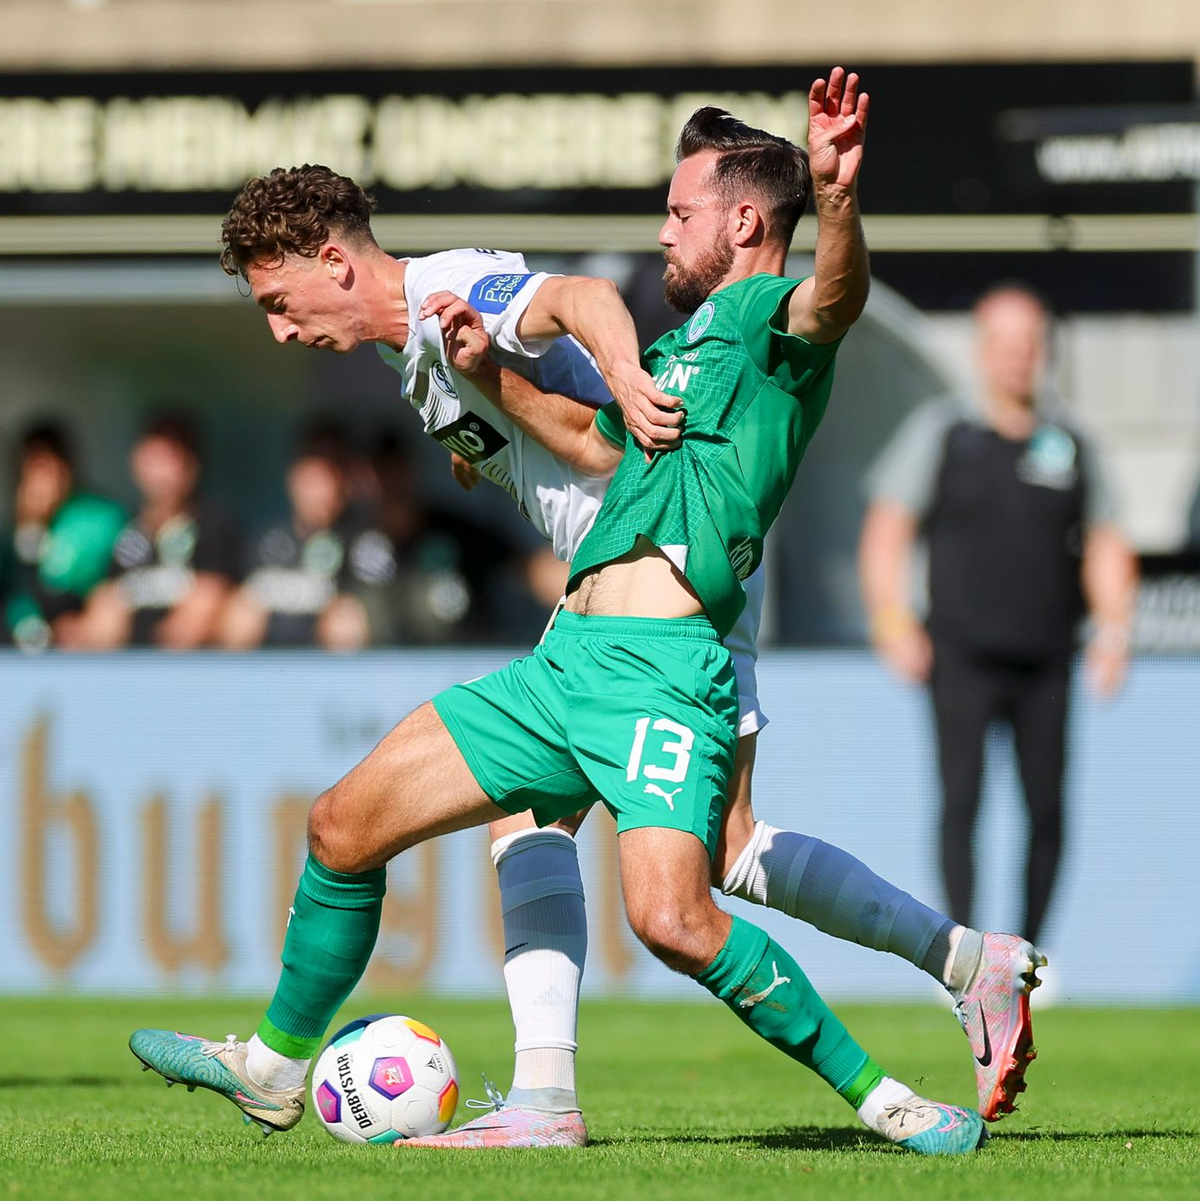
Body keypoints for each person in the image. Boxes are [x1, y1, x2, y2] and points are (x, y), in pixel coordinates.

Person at [130, 71, 1020, 1156]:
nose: (659, 230)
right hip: (589, 629)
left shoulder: (682, 313)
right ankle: (301, 1071)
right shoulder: (582, 344)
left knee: (684, 899)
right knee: (368, 825)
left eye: (279, 305)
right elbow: (593, 443)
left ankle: (907, 1048)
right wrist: (499, 414)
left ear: (331, 260)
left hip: (667, 620)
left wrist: (818, 215)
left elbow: (734, 308)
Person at [860, 283, 1138, 948]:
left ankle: (1030, 961)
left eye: (1028, 345)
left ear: (1041, 352)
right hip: (959, 654)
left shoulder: (1070, 443)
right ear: (984, 352)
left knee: (1047, 810)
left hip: (1047, 656)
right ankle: (963, 952)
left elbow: (1104, 541)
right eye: (1003, 345)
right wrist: (892, 620)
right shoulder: (945, 432)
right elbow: (887, 528)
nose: (1016, 359)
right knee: (962, 803)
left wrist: (1114, 632)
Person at [217, 424, 393, 651]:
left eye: (331, 473)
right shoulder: (265, 539)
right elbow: (235, 616)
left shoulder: (366, 542)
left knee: (346, 624)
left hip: (338, 676)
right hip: (266, 673)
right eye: (313, 473)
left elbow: (375, 620)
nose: (321, 487)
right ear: (294, 476)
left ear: (347, 480)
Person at [79, 412, 240, 650]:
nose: (164, 470)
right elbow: (103, 606)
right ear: (137, 460)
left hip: (186, 671)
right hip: (123, 670)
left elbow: (206, 606)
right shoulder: (122, 528)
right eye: (156, 457)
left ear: (192, 466)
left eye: (174, 457)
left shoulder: (214, 526)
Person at [0, 422, 125, 652]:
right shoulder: (15, 528)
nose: (40, 478)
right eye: (32, 465)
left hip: (70, 653)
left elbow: (58, 590)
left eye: (48, 464)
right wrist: (30, 527)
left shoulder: (96, 517)